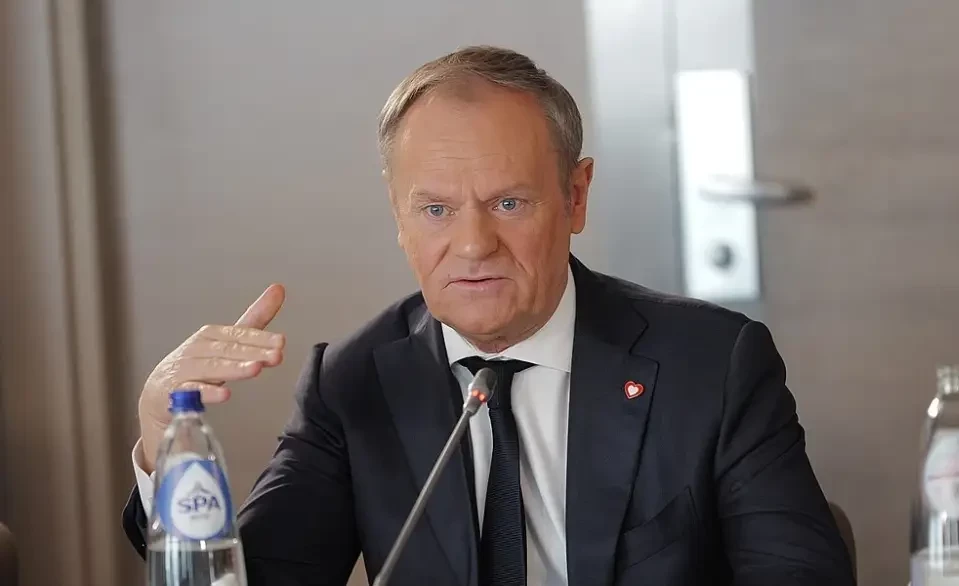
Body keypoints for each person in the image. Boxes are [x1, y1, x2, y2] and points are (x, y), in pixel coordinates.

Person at [122, 46, 855, 585]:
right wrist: (167, 445)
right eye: (436, 210)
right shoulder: (353, 384)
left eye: (508, 202)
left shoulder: (712, 365)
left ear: (574, 197)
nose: (473, 245)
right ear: (399, 217)